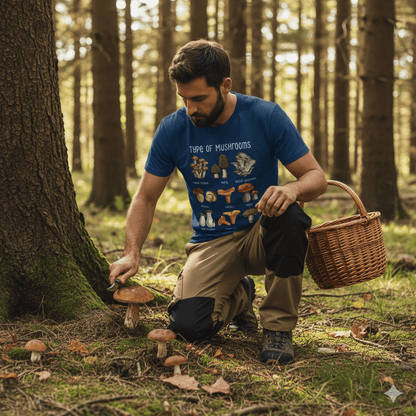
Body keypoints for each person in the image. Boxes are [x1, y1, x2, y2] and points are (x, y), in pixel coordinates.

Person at [109, 39, 327, 364]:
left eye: (199, 98)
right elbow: (145, 197)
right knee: (187, 326)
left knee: (292, 216)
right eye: (183, 99)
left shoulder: (265, 116)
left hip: (262, 235)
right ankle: (242, 294)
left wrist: (292, 190)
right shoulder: (172, 129)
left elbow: (316, 177)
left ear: (225, 86)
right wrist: (132, 252)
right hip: (211, 243)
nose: (190, 109)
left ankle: (278, 327)